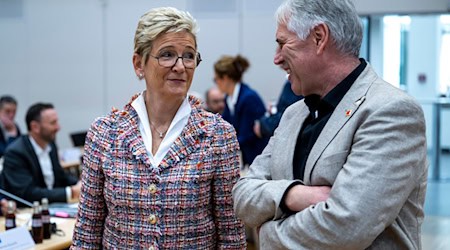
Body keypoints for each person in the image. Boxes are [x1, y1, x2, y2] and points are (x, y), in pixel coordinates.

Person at [232, 0, 428, 249]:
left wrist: (266, 234)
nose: (277, 58)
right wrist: (292, 195)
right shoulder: (294, 114)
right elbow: (242, 194)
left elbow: (347, 225)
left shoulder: (391, 111)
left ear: (318, 37)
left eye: (282, 43)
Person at [71, 7, 246, 249]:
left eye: (189, 55)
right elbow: (86, 236)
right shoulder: (105, 133)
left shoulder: (217, 135)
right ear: (138, 64)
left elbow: (231, 236)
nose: (181, 66)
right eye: (167, 54)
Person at [1, 103, 80, 204]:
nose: (58, 127)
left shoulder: (51, 145)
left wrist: (79, 183)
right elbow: (28, 193)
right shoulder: (15, 153)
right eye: (53, 123)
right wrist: (70, 192)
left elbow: (60, 175)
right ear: (35, 127)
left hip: (53, 207)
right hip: (28, 212)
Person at [214, 54, 269, 166]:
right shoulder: (229, 98)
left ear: (225, 78)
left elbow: (246, 135)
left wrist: (219, 148)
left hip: (257, 158)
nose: (215, 83)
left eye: (216, 79)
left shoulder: (249, 98)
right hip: (245, 158)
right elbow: (224, 128)